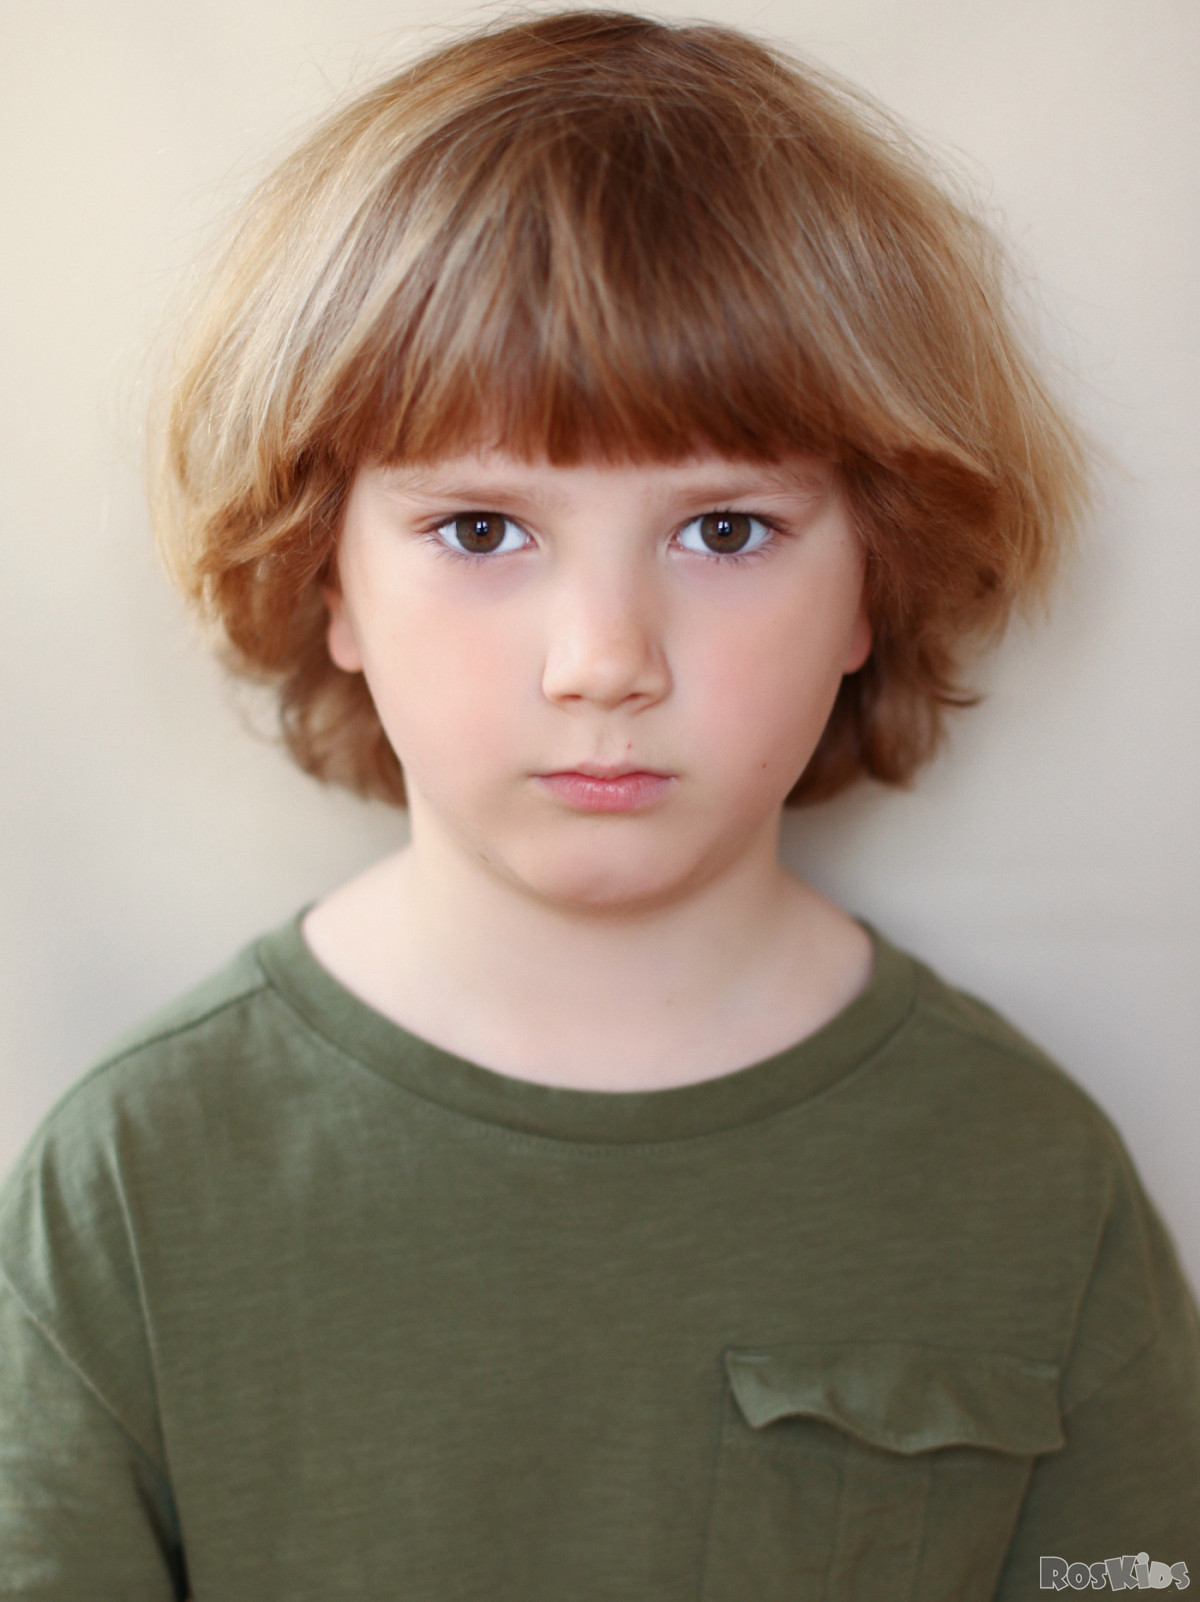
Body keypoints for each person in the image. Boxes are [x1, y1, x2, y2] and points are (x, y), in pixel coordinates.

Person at [1, 9, 1196, 1597]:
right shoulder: (129, 1190)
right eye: (482, 530)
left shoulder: (1033, 1181)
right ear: (325, 576)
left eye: (725, 530)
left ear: (875, 579)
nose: (606, 660)